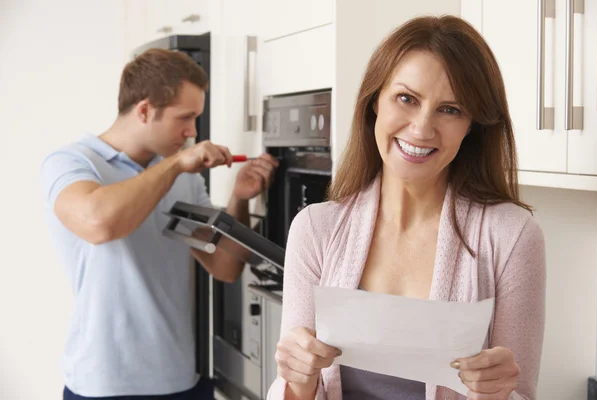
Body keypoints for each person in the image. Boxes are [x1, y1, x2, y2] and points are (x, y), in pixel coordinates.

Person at [268, 15, 546, 400]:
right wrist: (297, 379)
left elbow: (522, 394)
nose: (421, 128)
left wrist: (498, 393)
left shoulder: (511, 236)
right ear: (374, 103)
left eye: (450, 109)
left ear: (472, 127)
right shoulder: (315, 229)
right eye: (406, 99)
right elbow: (293, 391)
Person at [40, 48, 279, 399]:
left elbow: (225, 267)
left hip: (181, 379)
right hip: (103, 384)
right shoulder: (71, 163)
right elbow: (100, 224)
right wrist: (178, 164)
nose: (192, 131)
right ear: (144, 110)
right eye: (185, 118)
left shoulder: (182, 174)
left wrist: (239, 198)